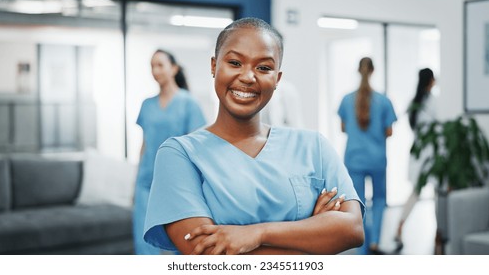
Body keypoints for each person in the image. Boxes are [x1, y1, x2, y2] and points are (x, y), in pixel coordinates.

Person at [143, 17, 365, 255]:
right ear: (213, 66)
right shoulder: (180, 154)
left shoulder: (314, 147)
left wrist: (257, 234)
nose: (248, 77)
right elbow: (207, 255)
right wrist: (313, 237)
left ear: (277, 79)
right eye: (235, 62)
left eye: (264, 67)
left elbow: (352, 229)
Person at [133, 49, 207, 255]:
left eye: (160, 65)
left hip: (176, 183)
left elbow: (196, 147)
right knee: (144, 243)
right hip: (146, 182)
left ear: (173, 69)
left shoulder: (188, 102)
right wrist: (135, 182)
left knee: (178, 244)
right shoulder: (147, 104)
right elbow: (144, 144)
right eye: (152, 66)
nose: (155, 70)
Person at [337, 57, 397, 255]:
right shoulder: (384, 100)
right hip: (377, 158)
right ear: (373, 71)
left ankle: (360, 246)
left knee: (358, 202)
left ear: (358, 71)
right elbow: (389, 132)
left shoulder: (347, 100)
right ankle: (375, 242)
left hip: (354, 158)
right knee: (379, 200)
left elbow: (344, 128)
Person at [394, 68, 436, 252]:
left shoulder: (414, 102)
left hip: (418, 153)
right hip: (432, 153)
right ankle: (439, 234)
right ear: (431, 81)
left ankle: (399, 226)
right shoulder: (433, 102)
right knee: (436, 193)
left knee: (416, 192)